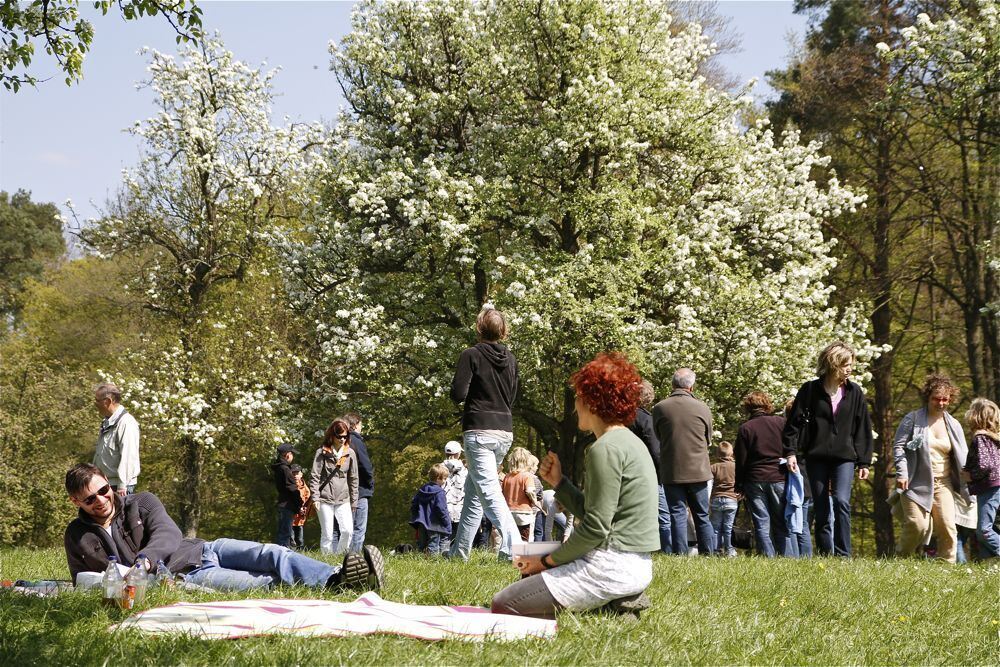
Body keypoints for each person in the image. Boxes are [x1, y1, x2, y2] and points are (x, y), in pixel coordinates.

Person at [491, 353, 659, 619]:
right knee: (531, 557)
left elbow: (595, 528)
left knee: (504, 604)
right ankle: (616, 603)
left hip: (609, 567)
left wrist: (545, 562)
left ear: (593, 402)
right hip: (631, 562)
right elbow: (598, 515)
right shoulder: (629, 443)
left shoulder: (605, 449)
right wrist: (559, 483)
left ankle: (612, 603)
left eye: (580, 398)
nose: (575, 406)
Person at [63, 463, 384, 592]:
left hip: (204, 549)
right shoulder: (77, 537)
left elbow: (169, 534)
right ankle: (339, 587)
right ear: (77, 502)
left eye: (103, 490)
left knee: (274, 553)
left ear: (109, 483)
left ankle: (337, 577)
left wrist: (142, 562)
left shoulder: (140, 501)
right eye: (90, 499)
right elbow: (81, 580)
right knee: (260, 583)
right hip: (185, 575)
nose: (101, 500)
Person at [783, 342, 874, 557]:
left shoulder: (854, 392)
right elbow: (793, 424)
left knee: (841, 501)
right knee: (821, 506)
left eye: (851, 364)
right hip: (816, 457)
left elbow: (863, 428)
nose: (849, 369)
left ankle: (843, 555)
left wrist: (864, 461)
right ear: (833, 364)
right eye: (845, 364)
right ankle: (826, 554)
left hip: (845, 457)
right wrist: (790, 452)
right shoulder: (809, 390)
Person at [448, 306, 523, 561]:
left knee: (489, 491)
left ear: (479, 328)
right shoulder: (511, 359)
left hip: (479, 429)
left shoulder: (471, 355)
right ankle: (458, 554)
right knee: (475, 493)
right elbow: (513, 396)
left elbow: (457, 394)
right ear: (503, 331)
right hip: (504, 431)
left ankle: (514, 548)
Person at [892, 374, 970, 563]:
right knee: (917, 524)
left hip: (943, 483)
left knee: (948, 527)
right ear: (928, 397)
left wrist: (970, 479)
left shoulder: (954, 424)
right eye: (936, 398)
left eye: (945, 399)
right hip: (914, 482)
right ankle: (900, 560)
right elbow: (898, 447)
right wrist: (902, 472)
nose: (941, 403)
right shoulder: (912, 419)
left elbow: (963, 455)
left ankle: (946, 567)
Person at [653, 368, 716, 556]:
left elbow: (659, 436)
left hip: (672, 470)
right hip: (698, 469)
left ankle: (679, 554)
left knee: (677, 514)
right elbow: (708, 438)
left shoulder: (660, 408)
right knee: (702, 515)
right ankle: (708, 554)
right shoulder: (702, 407)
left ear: (672, 384)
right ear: (691, 386)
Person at [735, 391, 792, 557]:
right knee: (781, 522)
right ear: (767, 405)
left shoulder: (745, 428)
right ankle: (786, 557)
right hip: (778, 476)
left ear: (748, 407)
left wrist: (739, 484)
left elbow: (741, 459)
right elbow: (790, 448)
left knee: (761, 522)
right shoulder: (781, 423)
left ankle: (768, 557)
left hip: (755, 479)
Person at [629, 379, 672, 554]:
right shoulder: (646, 419)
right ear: (648, 398)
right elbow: (655, 449)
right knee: (663, 516)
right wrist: (661, 474)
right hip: (647, 474)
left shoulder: (619, 419)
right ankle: (667, 551)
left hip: (626, 472)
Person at [309, 419, 359, 555]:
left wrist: (354, 500)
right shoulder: (321, 453)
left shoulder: (350, 453)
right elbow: (314, 476)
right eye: (339, 436)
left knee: (348, 531)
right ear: (332, 436)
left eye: (345, 436)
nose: (342, 439)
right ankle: (327, 561)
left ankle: (340, 557)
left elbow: (354, 479)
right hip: (324, 498)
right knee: (328, 535)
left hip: (343, 499)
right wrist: (315, 498)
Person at [962, 398, 1000, 558]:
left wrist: (970, 475)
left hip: (990, 487)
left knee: (984, 530)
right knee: (988, 528)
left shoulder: (980, 438)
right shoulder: (994, 438)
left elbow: (985, 465)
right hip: (995, 486)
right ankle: (988, 568)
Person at [93, 382, 140, 497]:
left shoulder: (126, 423)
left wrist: (122, 485)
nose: (95, 404)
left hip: (120, 487)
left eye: (97, 401)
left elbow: (128, 456)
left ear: (108, 401)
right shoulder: (107, 422)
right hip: (106, 484)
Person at [344, 412, 374, 554]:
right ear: (355, 425)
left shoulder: (339, 441)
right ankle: (354, 557)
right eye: (361, 424)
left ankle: (341, 555)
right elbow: (365, 465)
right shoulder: (356, 441)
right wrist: (370, 484)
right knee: (358, 527)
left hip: (342, 490)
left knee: (345, 527)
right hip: (360, 489)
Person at [409, 463, 452, 555]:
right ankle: (433, 564)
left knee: (422, 545)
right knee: (433, 546)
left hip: (422, 522)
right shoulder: (440, 492)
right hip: (435, 524)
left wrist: (416, 516)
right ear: (438, 478)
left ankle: (420, 562)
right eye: (444, 478)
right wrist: (447, 523)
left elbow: (414, 504)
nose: (445, 481)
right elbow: (442, 510)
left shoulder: (422, 489)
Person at [502, 447, 542, 542]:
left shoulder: (507, 477)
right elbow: (530, 491)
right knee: (525, 540)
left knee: (510, 539)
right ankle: (522, 556)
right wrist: (535, 502)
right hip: (524, 513)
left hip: (509, 511)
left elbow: (503, 493)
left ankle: (509, 556)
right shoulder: (527, 476)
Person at [709, 441, 738, 557]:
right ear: (731, 453)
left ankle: (716, 550)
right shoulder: (736, 466)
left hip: (716, 499)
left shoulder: (714, 467)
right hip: (731, 499)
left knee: (715, 527)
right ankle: (729, 551)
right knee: (728, 527)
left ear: (717, 454)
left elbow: (709, 484)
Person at [272, 443, 302, 547]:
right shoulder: (285, 469)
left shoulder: (278, 468)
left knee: (282, 533)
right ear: (288, 455)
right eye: (293, 454)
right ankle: (282, 557)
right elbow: (292, 488)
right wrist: (299, 503)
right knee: (285, 535)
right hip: (287, 505)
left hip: (282, 504)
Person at [441, 440, 467, 550]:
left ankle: (443, 558)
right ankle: (455, 557)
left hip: (443, 508)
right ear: (458, 454)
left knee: (444, 536)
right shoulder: (464, 470)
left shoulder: (439, 469)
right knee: (457, 536)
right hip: (460, 509)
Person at [291, 464, 312, 550]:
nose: (295, 475)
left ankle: (301, 552)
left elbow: (308, 502)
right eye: (293, 473)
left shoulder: (305, 489)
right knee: (291, 538)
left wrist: (304, 509)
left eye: (297, 473)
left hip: (300, 519)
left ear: (301, 474)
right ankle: (291, 553)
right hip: (290, 517)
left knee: (299, 539)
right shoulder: (289, 486)